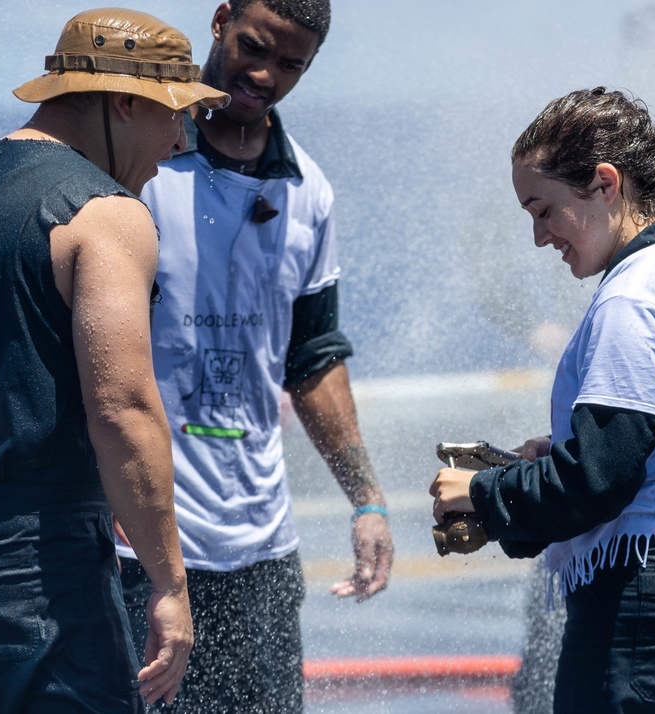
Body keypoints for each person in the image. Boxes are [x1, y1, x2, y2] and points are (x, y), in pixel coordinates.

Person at [0, 9, 230, 713]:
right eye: (173, 114)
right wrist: (169, 586)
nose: (180, 139)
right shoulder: (106, 213)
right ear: (123, 100)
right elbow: (122, 409)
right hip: (28, 574)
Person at [429, 87, 655, 713]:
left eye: (544, 209)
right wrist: (549, 459)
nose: (538, 236)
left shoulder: (631, 298)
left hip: (645, 616)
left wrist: (482, 495)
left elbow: (597, 483)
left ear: (605, 183)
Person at [115, 1, 395, 711]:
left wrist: (367, 501)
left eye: (292, 64)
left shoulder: (309, 189)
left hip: (261, 555)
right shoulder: (142, 162)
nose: (265, 74)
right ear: (219, 22)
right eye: (254, 47)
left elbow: (314, 359)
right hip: (135, 547)